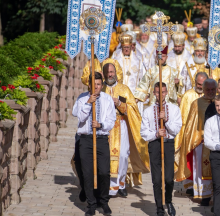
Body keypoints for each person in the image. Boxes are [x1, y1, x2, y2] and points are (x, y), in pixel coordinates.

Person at [102, 63, 150, 196]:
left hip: (121, 124)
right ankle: (109, 185)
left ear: (116, 72)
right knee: (107, 156)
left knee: (123, 155)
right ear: (104, 74)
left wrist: (119, 103)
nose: (110, 74)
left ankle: (121, 183)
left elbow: (133, 109)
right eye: (107, 72)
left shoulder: (124, 89)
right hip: (105, 127)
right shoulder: (100, 89)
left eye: (112, 72)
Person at [73, 72, 116, 216]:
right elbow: (80, 117)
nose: (96, 87)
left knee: (104, 172)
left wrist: (100, 124)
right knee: (88, 173)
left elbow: (111, 120)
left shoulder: (107, 99)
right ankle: (91, 204)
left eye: (98, 84)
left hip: (101, 138)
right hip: (86, 139)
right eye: (93, 85)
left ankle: (103, 201)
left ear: (102, 85)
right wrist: (88, 103)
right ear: (89, 85)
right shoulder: (82, 98)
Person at [140, 82, 182, 216]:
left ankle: (168, 201)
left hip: (168, 144)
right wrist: (156, 134)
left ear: (167, 92)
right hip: (154, 144)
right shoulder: (147, 111)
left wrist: (166, 120)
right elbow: (144, 132)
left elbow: (176, 129)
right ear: (154, 93)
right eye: (158, 92)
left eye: (163, 92)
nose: (160, 95)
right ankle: (159, 207)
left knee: (169, 178)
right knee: (157, 179)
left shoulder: (174, 109)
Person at [175, 78, 217, 206]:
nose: (210, 92)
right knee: (200, 168)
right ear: (203, 90)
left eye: (212, 89)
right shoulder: (196, 103)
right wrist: (193, 140)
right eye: (207, 89)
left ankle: (217, 196)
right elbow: (190, 126)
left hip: (217, 142)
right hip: (200, 142)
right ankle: (204, 196)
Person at [174, 72, 208, 193]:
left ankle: (205, 185)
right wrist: (182, 136)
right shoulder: (187, 96)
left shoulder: (210, 95)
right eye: (198, 84)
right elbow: (182, 118)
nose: (200, 87)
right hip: (191, 135)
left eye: (203, 84)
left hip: (206, 135)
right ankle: (190, 185)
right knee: (192, 161)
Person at [166, 32, 192, 101]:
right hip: (171, 88)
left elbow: (190, 76)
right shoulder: (168, 56)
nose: (177, 49)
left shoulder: (189, 57)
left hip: (184, 89)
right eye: (175, 46)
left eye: (179, 46)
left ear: (183, 45)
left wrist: (180, 81)